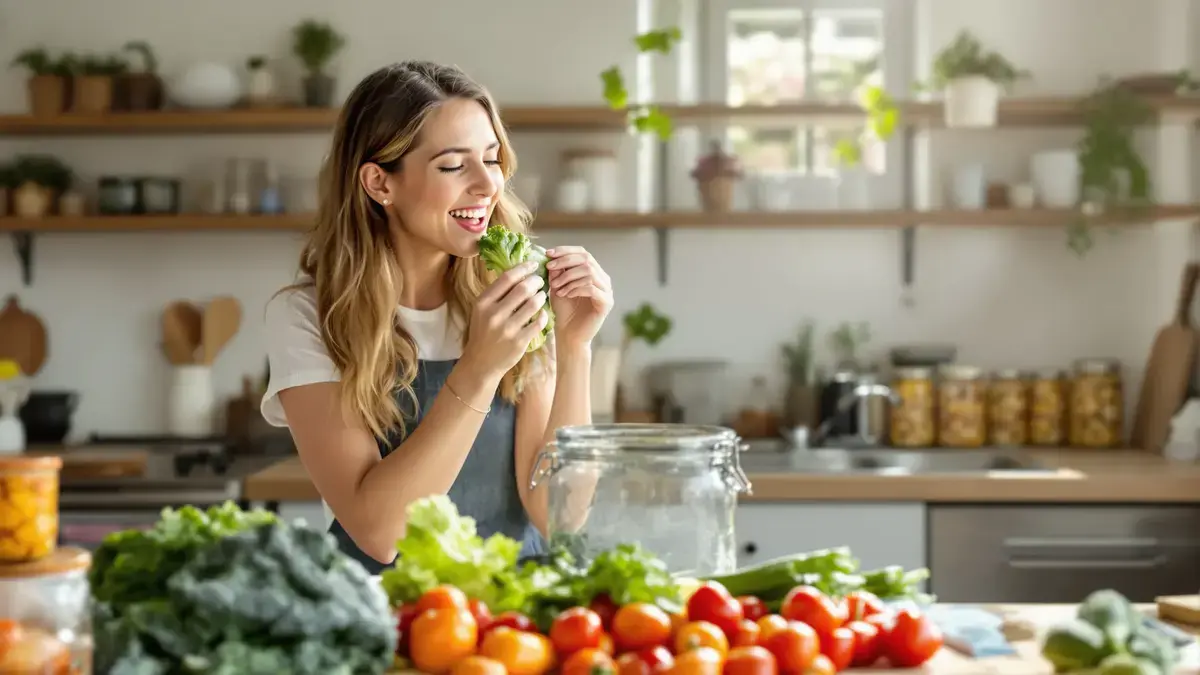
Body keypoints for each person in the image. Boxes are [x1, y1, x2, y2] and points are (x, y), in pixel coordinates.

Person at [259, 61, 614, 574]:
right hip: (388, 619)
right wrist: (480, 369)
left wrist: (576, 344)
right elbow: (380, 533)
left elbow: (559, 516)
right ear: (380, 182)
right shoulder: (310, 317)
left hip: (513, 621)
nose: (485, 186)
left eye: (491, 160)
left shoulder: (511, 292)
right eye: (453, 166)